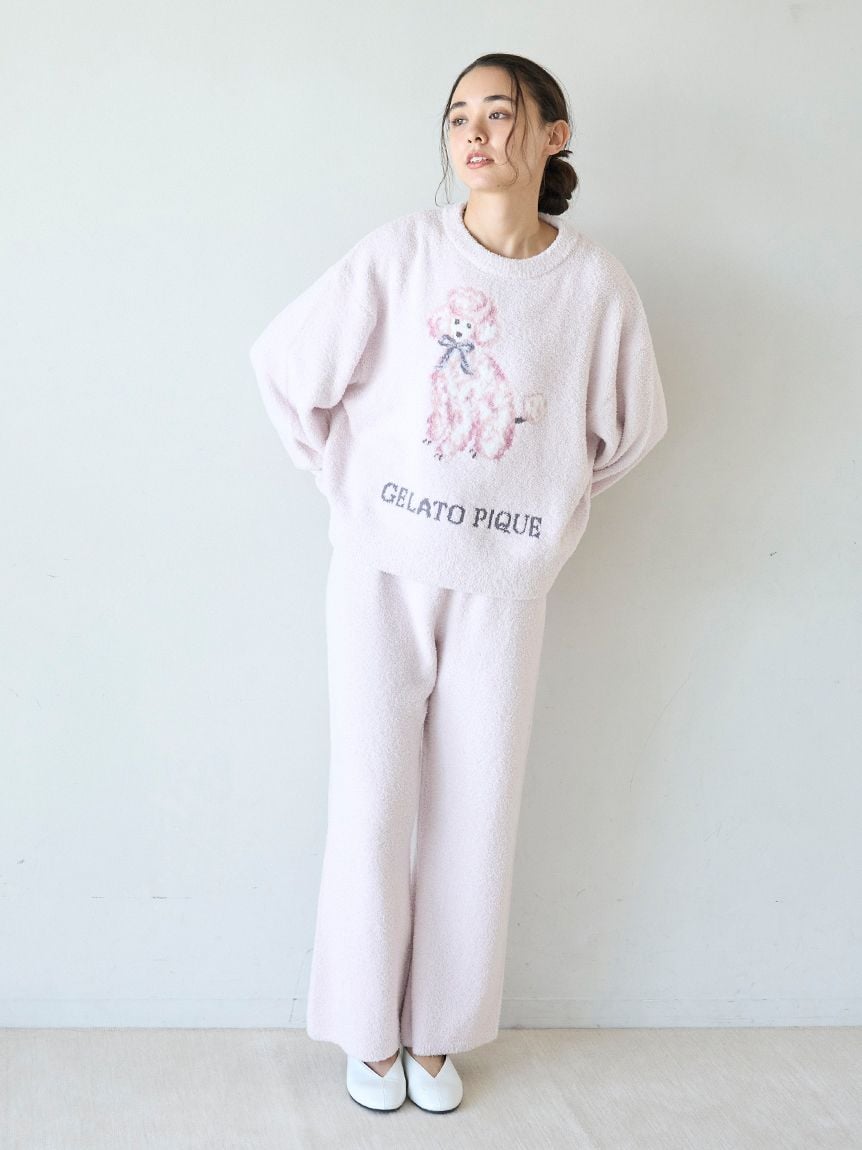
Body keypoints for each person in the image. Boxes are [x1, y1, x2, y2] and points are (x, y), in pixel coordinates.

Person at [248, 51, 669, 1113]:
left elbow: (629, 431)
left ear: (553, 135)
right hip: (381, 573)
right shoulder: (401, 255)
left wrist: (542, 510)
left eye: (498, 113)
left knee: (477, 809)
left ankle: (437, 1035)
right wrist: (351, 486)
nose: (474, 134)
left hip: (503, 584)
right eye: (457, 118)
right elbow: (288, 368)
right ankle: (365, 1030)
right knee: (373, 799)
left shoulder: (592, 288)